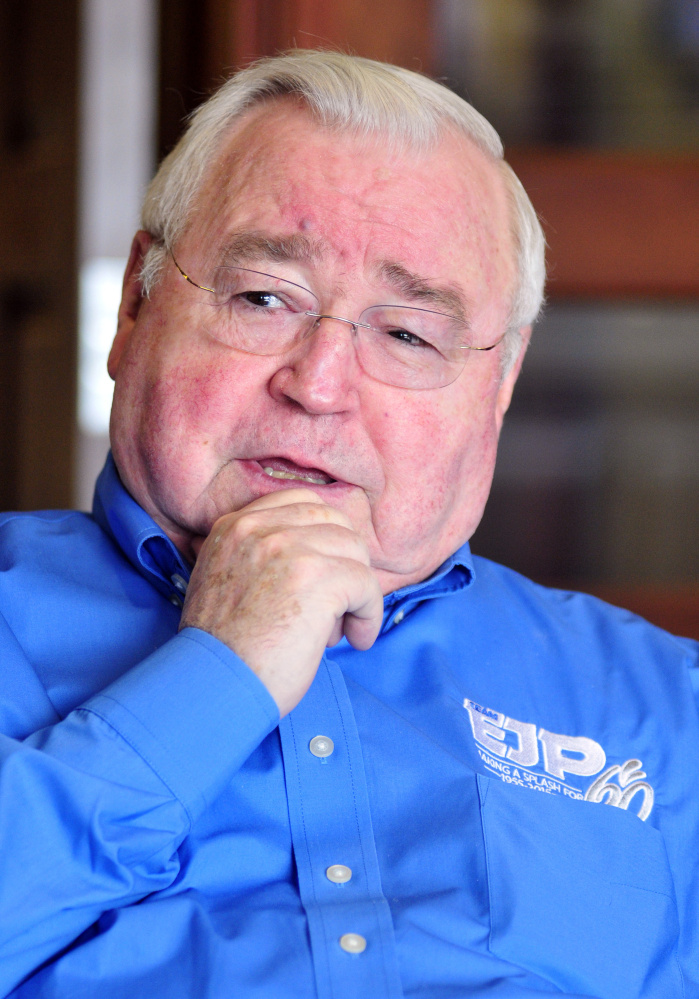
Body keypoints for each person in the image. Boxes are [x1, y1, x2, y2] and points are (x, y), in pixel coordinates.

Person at [0, 50, 696, 999]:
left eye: (407, 333)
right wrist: (217, 676)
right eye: (263, 299)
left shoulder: (662, 708)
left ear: (499, 385)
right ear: (135, 305)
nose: (318, 385)